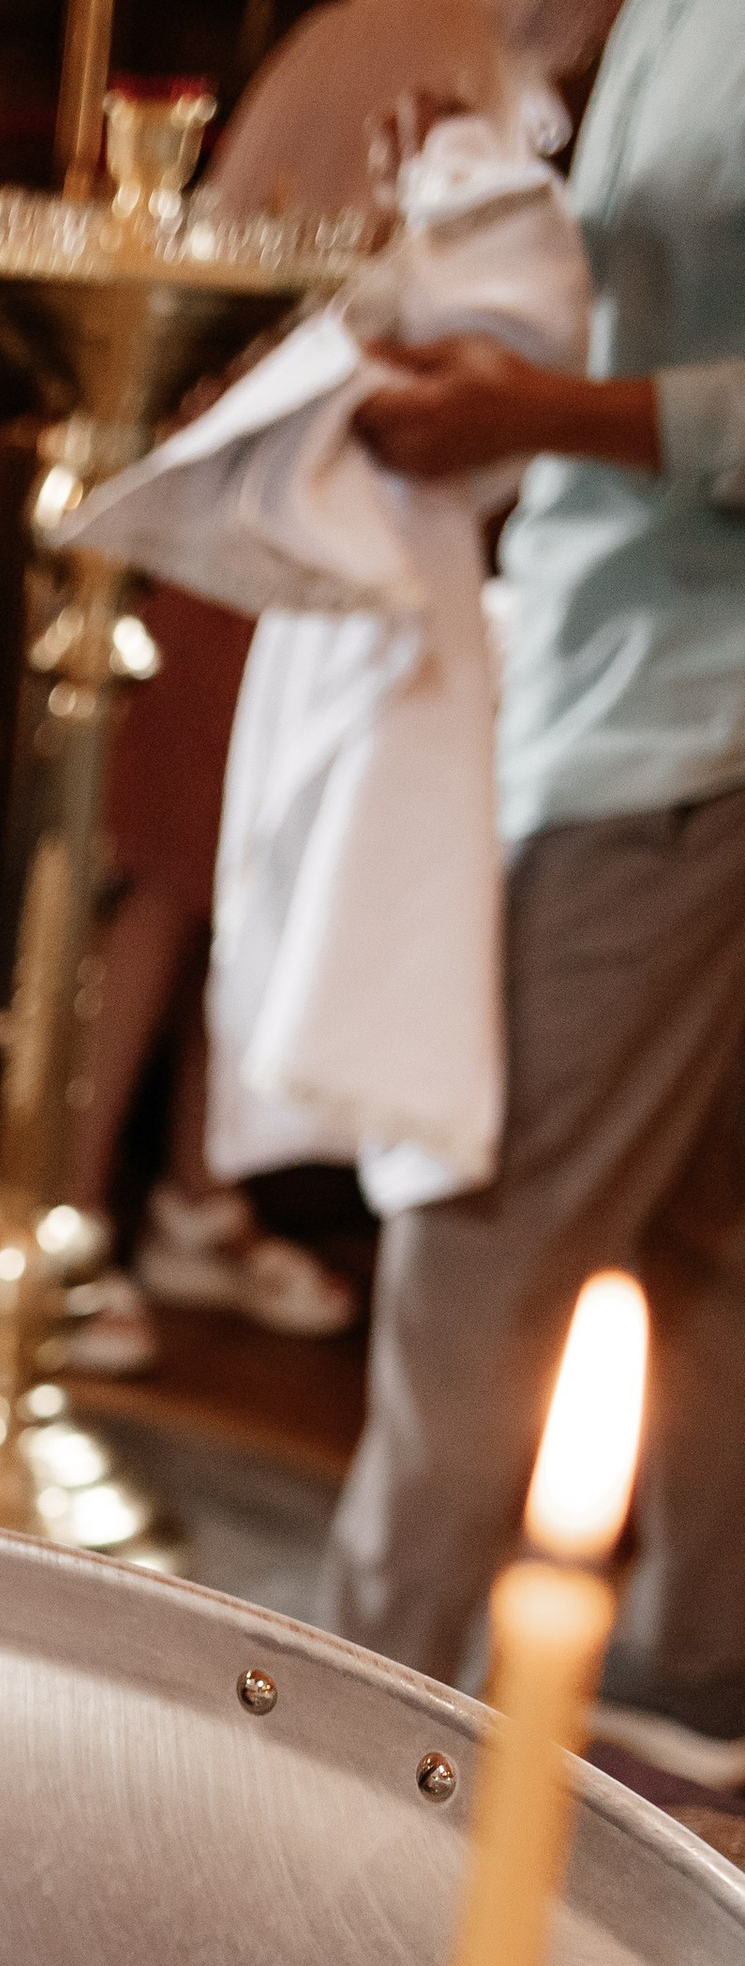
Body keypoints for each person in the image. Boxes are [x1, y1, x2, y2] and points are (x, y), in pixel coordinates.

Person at [318, 0, 745, 1755]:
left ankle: (340, 1742)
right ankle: (697, 1690)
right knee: (712, 1229)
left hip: (682, 714)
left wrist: (551, 410)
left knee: (477, 1243)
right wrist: (507, 169)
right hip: (627, 664)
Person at [61, 0, 572, 1379]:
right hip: (292, 488)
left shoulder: (463, 48)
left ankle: (195, 1200)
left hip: (351, 504)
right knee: (169, 870)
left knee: (253, 866)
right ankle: (70, 1210)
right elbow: (306, 269)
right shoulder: (420, 43)